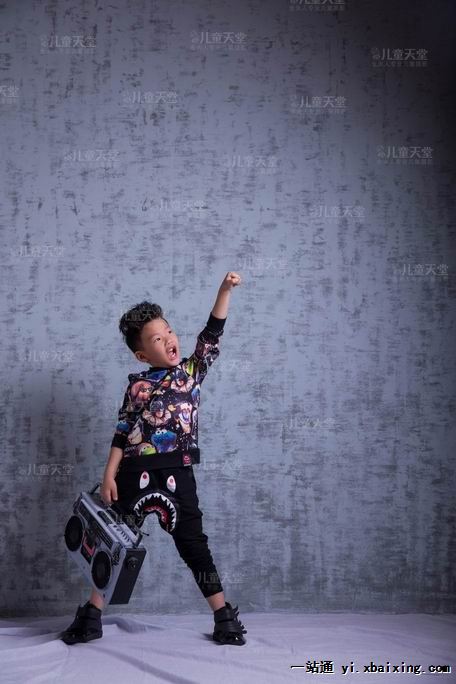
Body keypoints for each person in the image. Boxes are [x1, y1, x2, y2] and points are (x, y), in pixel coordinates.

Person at [60, 272, 247, 646]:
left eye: (169, 331)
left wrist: (224, 290)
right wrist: (109, 474)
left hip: (178, 473)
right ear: (142, 354)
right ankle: (92, 616)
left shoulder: (191, 373)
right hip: (132, 473)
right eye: (157, 339)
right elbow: (122, 430)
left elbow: (212, 334)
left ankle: (224, 616)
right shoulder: (137, 386)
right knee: (114, 543)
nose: (168, 340)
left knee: (194, 545)